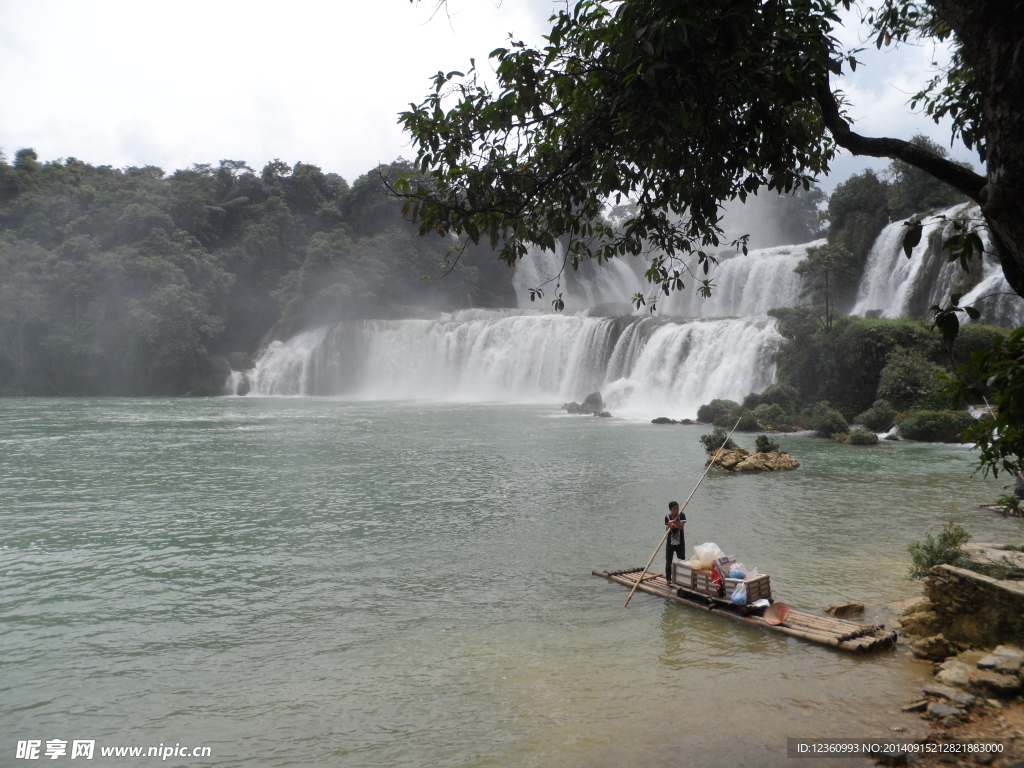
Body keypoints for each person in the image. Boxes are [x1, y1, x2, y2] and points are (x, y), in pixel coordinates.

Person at [664, 501, 686, 583]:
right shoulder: (667, 517)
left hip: (680, 543)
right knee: (668, 562)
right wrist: (671, 526)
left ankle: (682, 580)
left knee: (682, 562)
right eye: (674, 509)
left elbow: (681, 527)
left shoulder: (681, 515)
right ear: (671, 509)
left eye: (677, 508)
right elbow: (667, 530)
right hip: (670, 543)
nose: (676, 510)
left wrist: (674, 522)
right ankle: (668, 580)